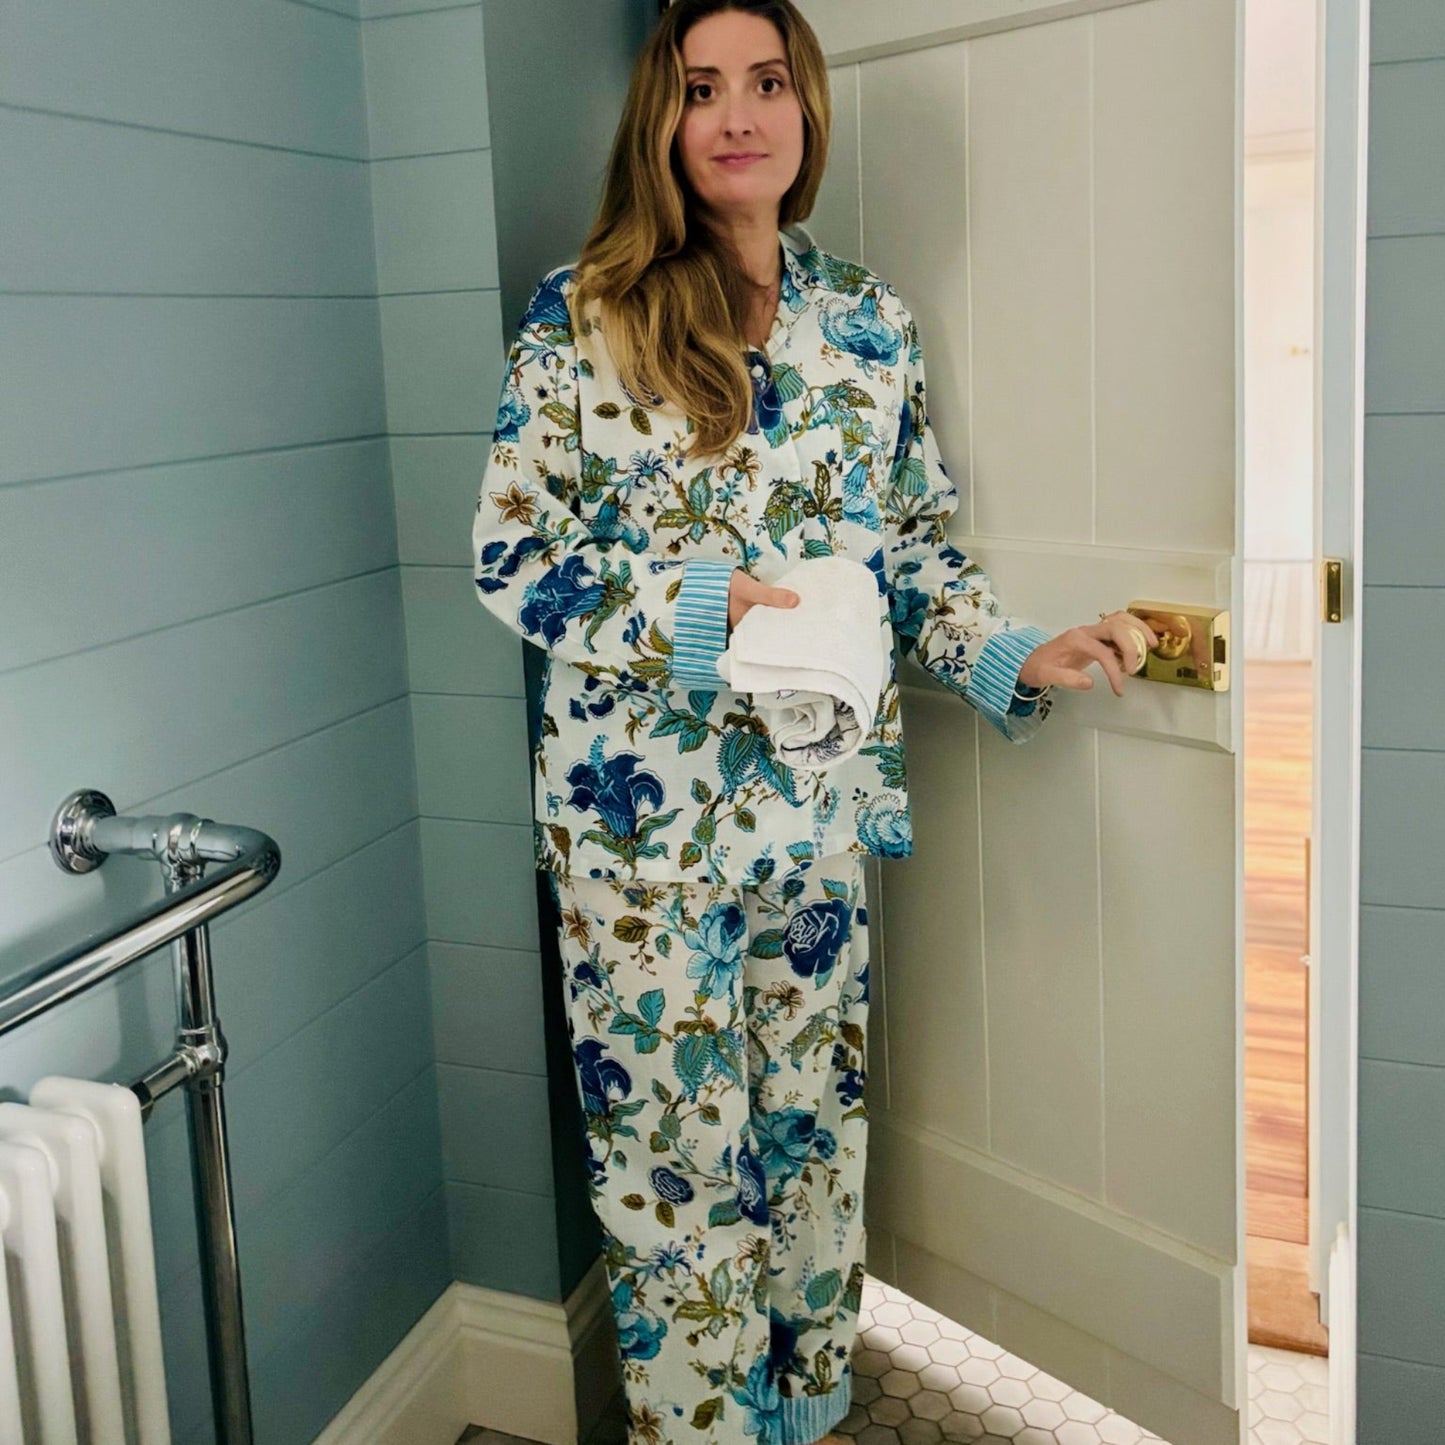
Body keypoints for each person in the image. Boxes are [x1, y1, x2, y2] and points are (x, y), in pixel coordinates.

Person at [470, 3, 1153, 1440]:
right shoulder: (581, 313)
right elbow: (514, 558)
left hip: (813, 823)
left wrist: (1024, 653)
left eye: (765, 83)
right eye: (701, 87)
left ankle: (807, 1410)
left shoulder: (869, 325)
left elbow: (910, 558)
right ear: (659, 119)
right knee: (671, 1172)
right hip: (634, 837)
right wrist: (725, 613)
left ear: (805, 107)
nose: (736, 115)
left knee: (808, 1148)